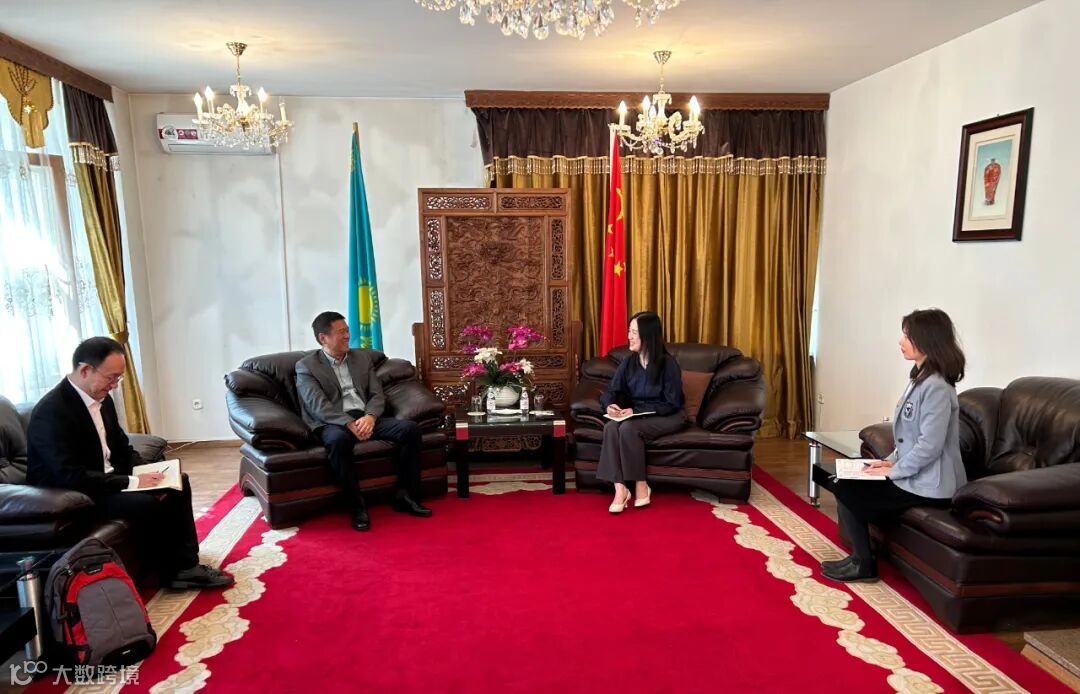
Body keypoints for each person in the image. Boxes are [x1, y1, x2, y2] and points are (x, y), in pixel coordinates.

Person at [27, 337, 233, 589]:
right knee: (146, 503)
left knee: (177, 483)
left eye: (119, 378)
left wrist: (151, 471)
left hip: (104, 482)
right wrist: (132, 481)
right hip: (74, 495)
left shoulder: (104, 401)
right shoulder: (52, 411)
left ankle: (186, 566)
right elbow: (70, 475)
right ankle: (169, 571)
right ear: (85, 370)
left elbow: (122, 448)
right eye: (111, 377)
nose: (114, 385)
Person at [822, 308, 968, 583]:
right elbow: (909, 438)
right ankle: (859, 558)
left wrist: (893, 471)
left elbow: (929, 446)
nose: (901, 341)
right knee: (845, 477)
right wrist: (888, 461)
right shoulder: (920, 379)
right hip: (916, 475)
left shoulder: (936, 387)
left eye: (907, 336)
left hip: (932, 485)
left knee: (848, 488)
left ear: (927, 339)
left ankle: (864, 564)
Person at [296, 311, 432, 531]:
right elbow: (318, 406)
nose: (347, 336)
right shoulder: (306, 366)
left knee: (410, 430)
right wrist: (349, 423)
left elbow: (377, 394)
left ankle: (406, 497)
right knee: (338, 441)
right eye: (341, 332)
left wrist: (370, 416)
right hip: (334, 422)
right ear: (323, 338)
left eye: (347, 331)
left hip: (365, 416)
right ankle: (356, 506)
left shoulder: (361, 358)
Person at [597, 311, 685, 513]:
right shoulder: (629, 362)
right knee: (610, 427)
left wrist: (635, 411)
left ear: (648, 335)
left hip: (668, 415)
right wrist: (609, 405)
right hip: (637, 415)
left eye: (634, 332)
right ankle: (620, 488)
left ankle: (641, 484)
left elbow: (672, 403)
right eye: (629, 331)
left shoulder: (668, 364)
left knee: (628, 428)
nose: (629, 336)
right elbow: (611, 391)